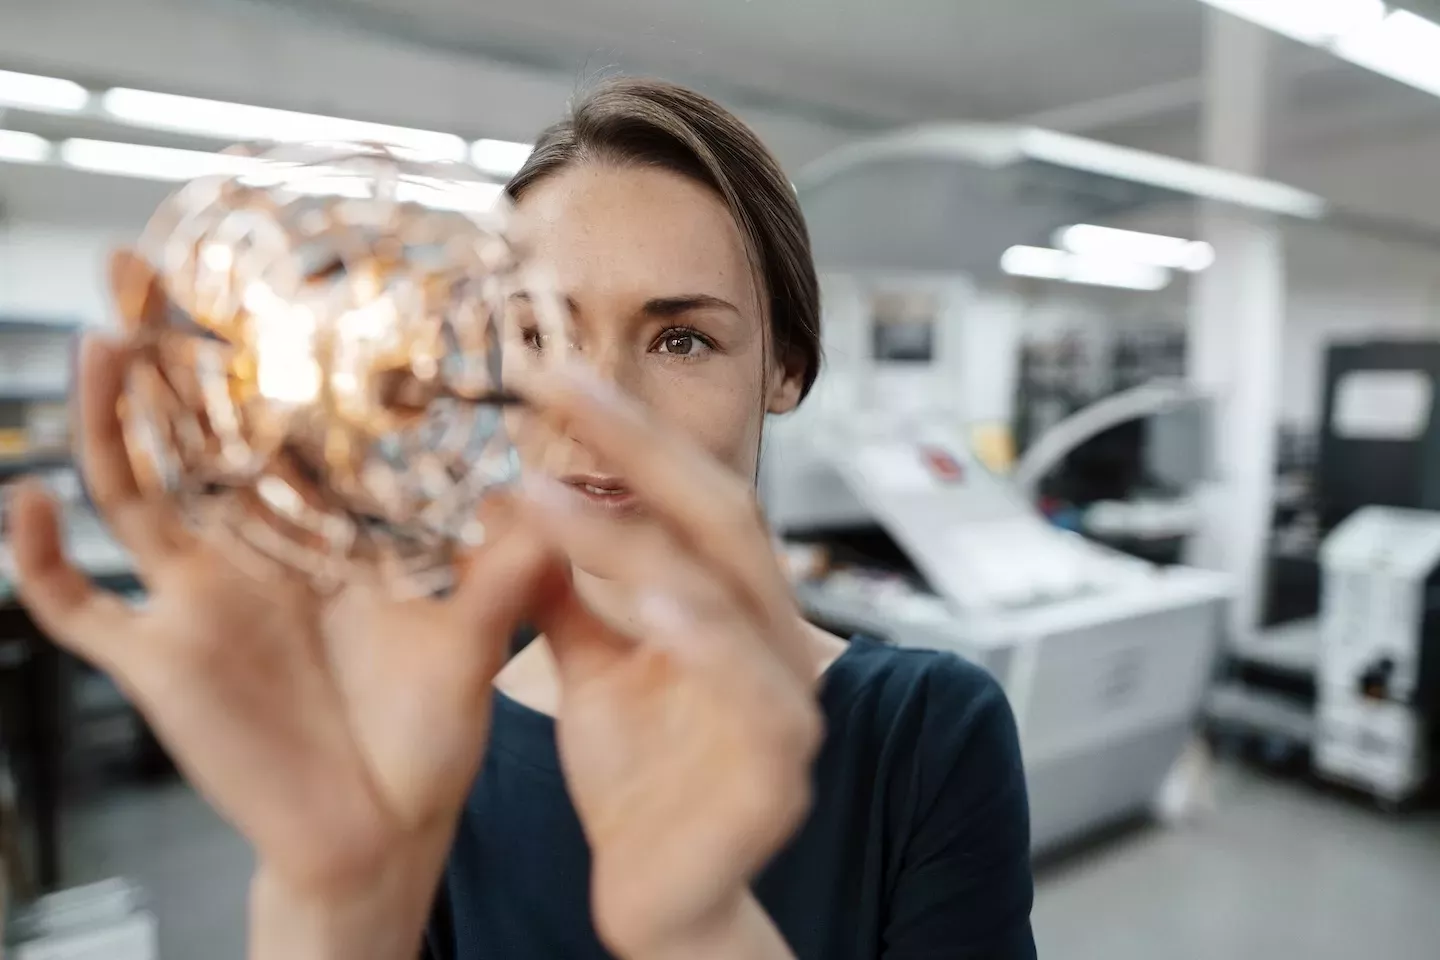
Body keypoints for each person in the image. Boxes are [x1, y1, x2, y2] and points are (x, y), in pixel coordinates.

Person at [6, 78, 1035, 960]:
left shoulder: (927, 734)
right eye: (539, 331)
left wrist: (700, 932)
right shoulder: (424, 742)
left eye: (680, 339)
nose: (606, 404)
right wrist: (333, 905)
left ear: (786, 367)